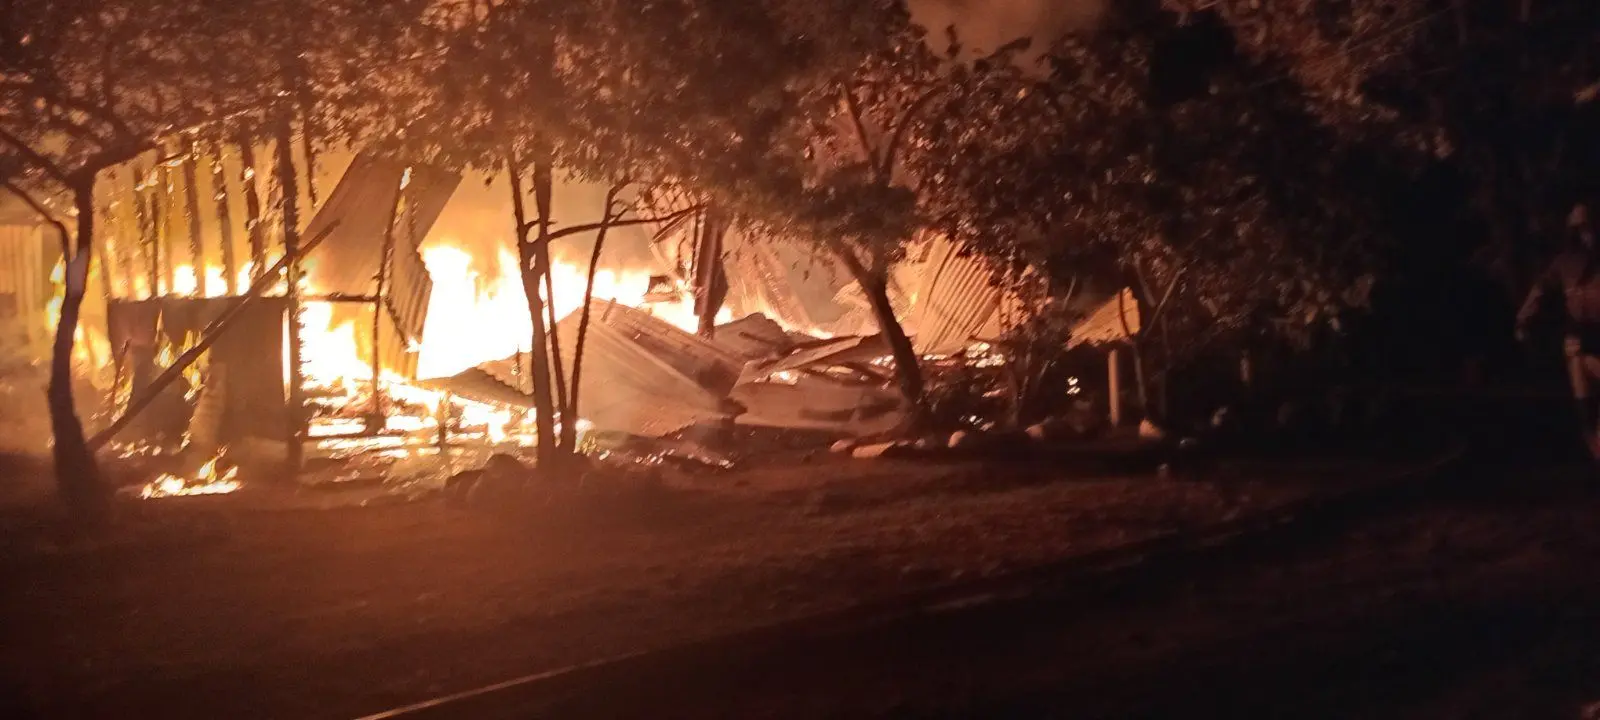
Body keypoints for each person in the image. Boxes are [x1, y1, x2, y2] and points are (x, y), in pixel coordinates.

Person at [1517, 203, 1600, 457]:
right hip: (1578, 337)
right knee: (1581, 386)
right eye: (1581, 229)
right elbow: (1541, 289)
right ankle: (1593, 444)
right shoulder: (1565, 263)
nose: (1587, 235)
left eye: (1590, 228)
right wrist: (1524, 319)